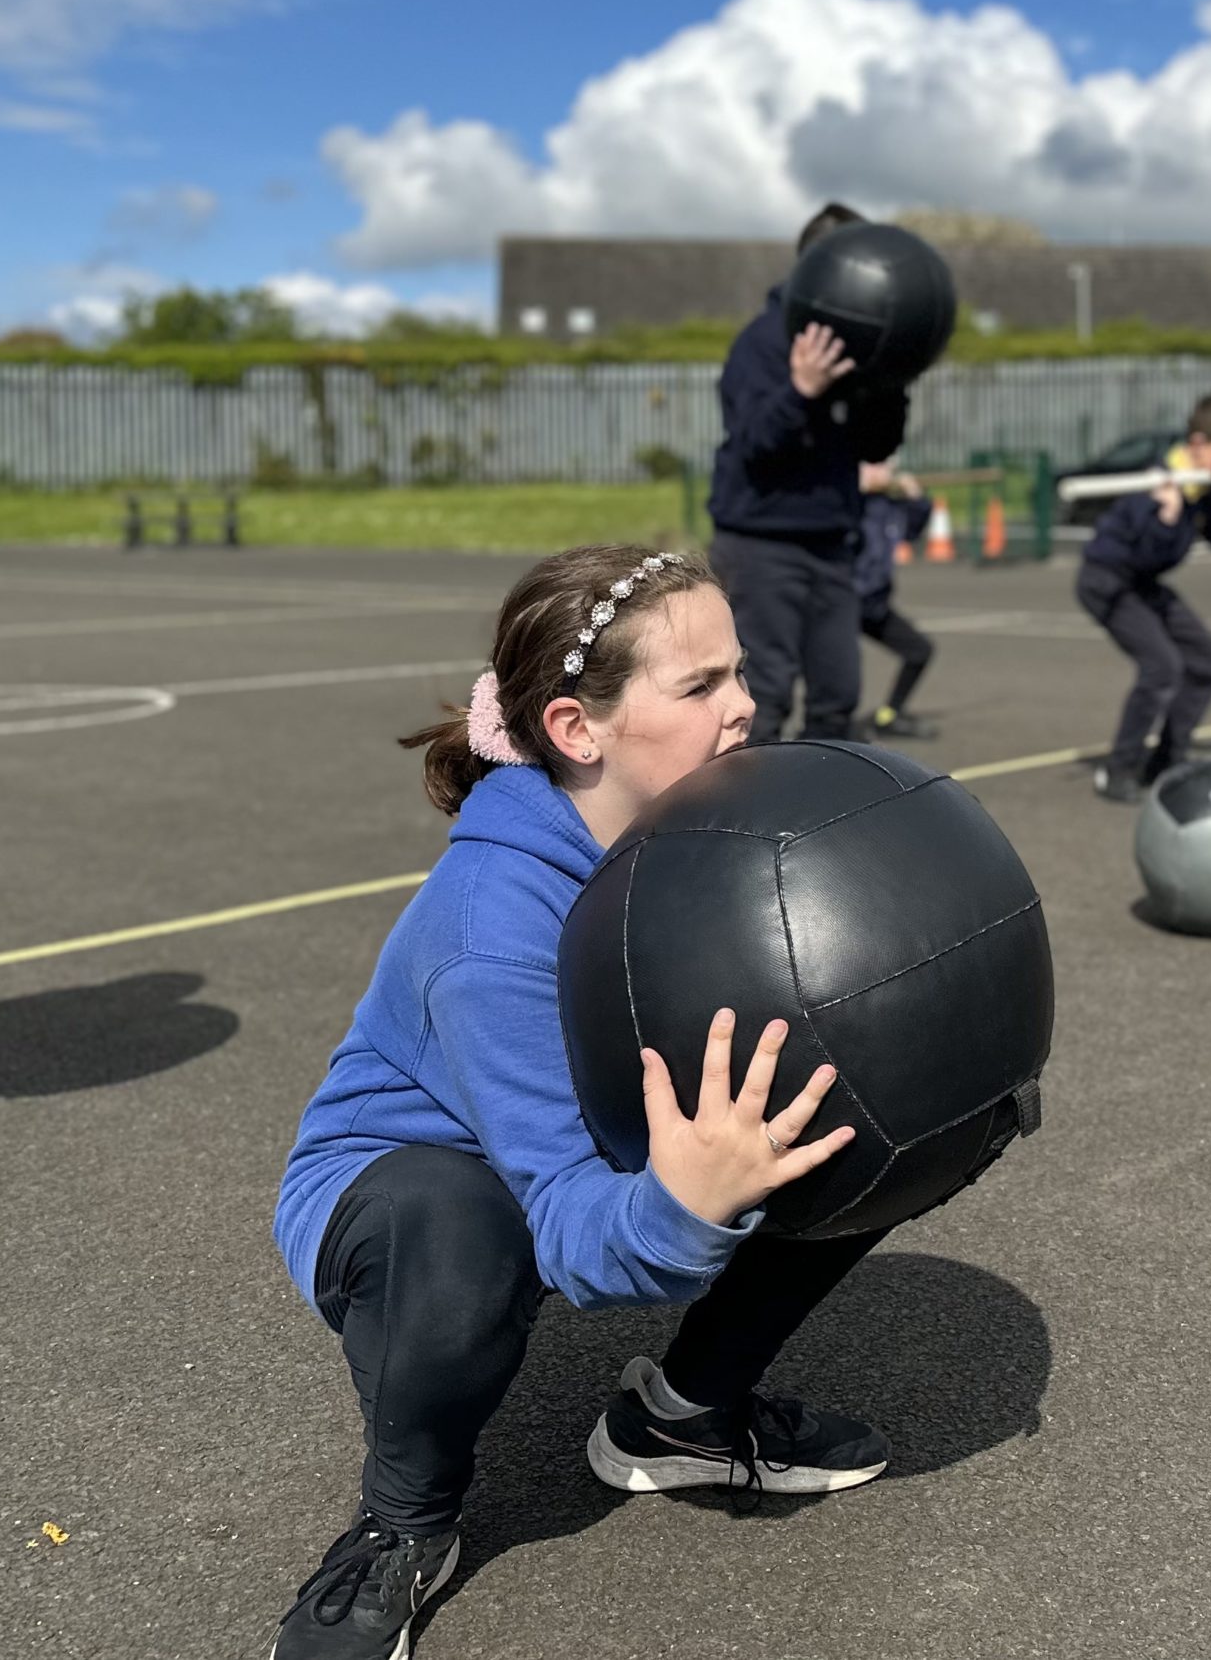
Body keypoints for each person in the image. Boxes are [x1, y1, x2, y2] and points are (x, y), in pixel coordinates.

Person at [270, 545, 887, 1660]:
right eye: (700, 689)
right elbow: (568, 1230)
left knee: (859, 1090)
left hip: (580, 1135)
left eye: (738, 675)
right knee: (458, 1229)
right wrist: (690, 1205)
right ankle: (403, 1524)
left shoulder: (700, 839)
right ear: (575, 729)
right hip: (404, 1187)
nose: (745, 709)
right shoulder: (490, 931)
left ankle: (683, 1413)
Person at [707, 202, 910, 744]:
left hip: (831, 543)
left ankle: (820, 818)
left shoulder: (857, 346)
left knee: (838, 694)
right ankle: (745, 821)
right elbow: (754, 445)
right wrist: (802, 391)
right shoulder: (764, 342)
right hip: (761, 545)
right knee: (763, 694)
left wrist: (891, 387)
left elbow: (877, 444)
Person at [1076, 391, 1211, 802]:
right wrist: (1166, 519)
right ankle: (1118, 769)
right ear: (1199, 444)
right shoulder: (1154, 485)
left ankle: (1166, 760)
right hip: (1106, 579)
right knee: (1161, 667)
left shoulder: (1202, 487)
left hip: (1143, 582)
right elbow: (1144, 550)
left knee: (1205, 660)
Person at [856, 459, 939, 741]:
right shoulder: (848, 505)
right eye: (875, 466)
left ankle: (889, 715)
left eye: (887, 467)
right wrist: (854, 490)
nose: (884, 473)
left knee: (919, 650)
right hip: (840, 604)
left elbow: (913, 529)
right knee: (838, 670)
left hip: (874, 605)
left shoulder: (892, 508)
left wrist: (917, 499)